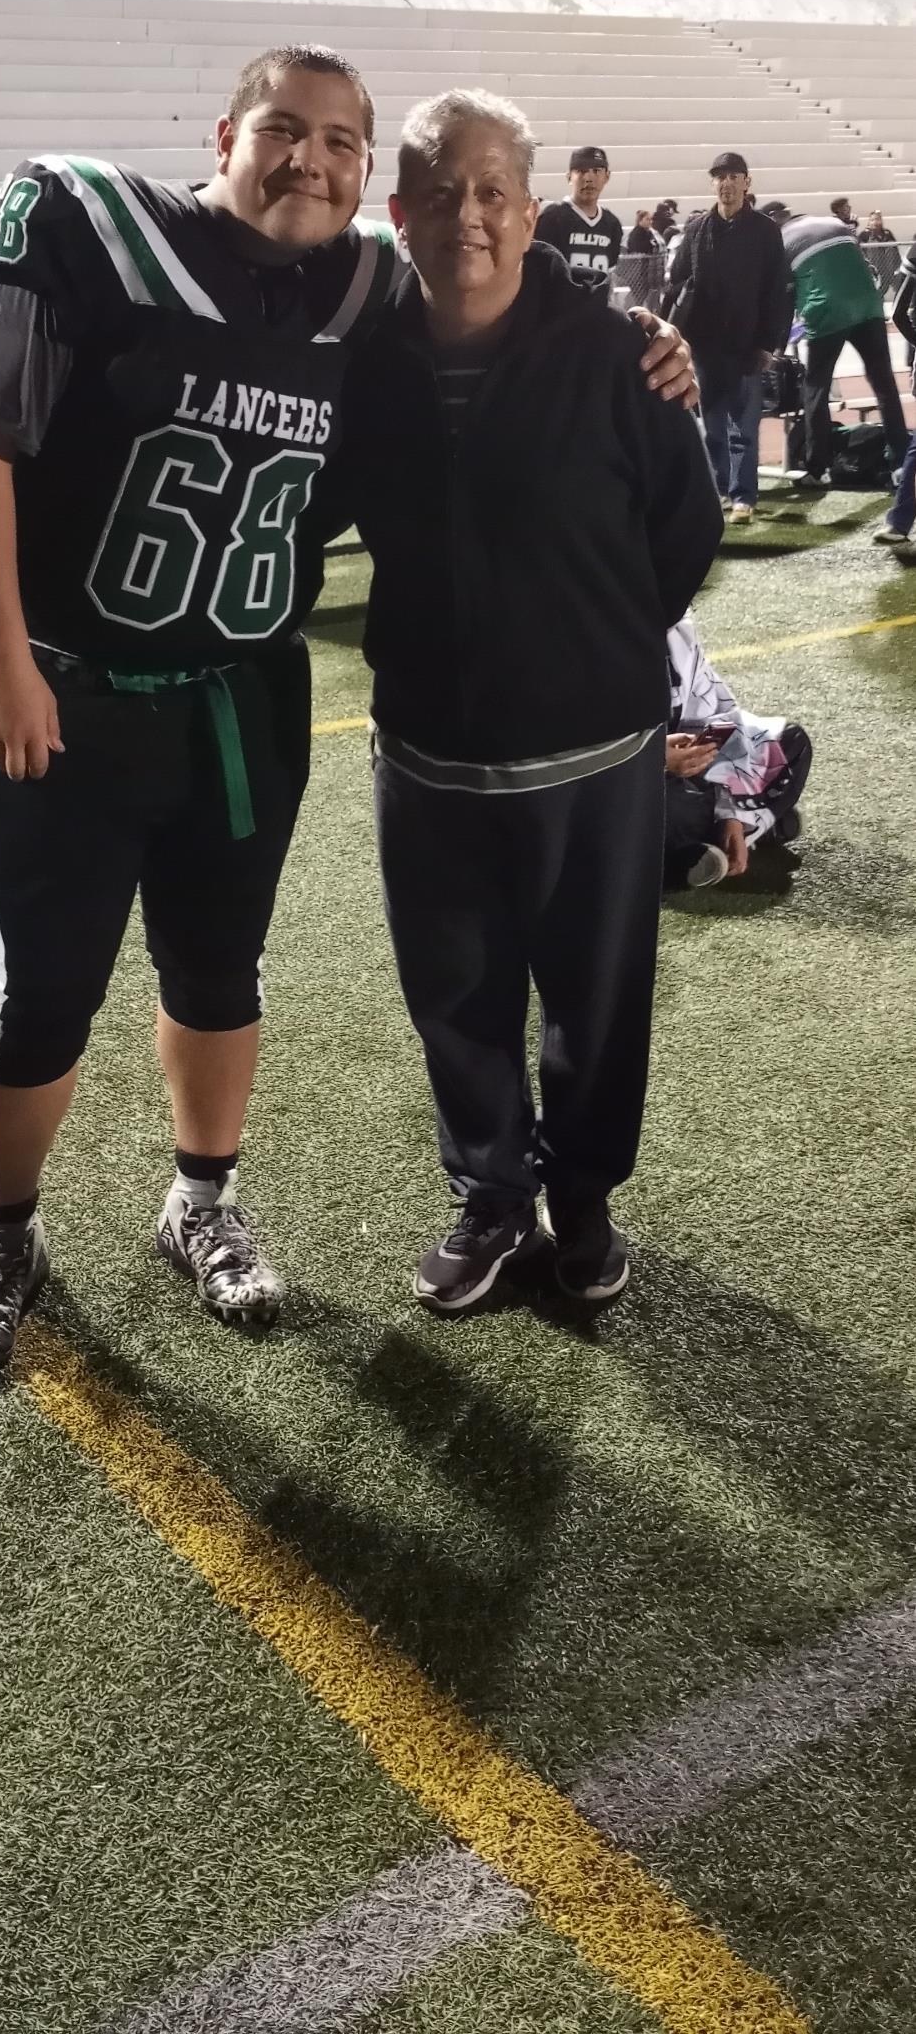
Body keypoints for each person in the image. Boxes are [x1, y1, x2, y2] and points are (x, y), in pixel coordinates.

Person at [0, 44, 697, 1385]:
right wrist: (2, 657)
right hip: (102, 690)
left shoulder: (432, 308)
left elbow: (642, 477)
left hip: (269, 693)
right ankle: (4, 1235)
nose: (313, 160)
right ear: (227, 131)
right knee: (52, 985)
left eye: (341, 140)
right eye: (287, 130)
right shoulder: (161, 255)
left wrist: (646, 343)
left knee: (226, 972)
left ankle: (215, 1200)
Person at [337, 90, 721, 1317]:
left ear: (534, 206)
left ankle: (587, 1199)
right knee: (456, 994)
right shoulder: (365, 364)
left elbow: (685, 530)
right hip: (432, 756)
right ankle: (493, 1195)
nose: (471, 217)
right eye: (442, 193)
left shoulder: (621, 353)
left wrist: (589, 647)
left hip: (597, 750)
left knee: (600, 1000)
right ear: (399, 213)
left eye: (494, 190)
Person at [662, 152, 793, 526]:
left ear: (747, 183)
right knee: (713, 427)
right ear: (712, 183)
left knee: (744, 428)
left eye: (734, 176)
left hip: (747, 346)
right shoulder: (697, 229)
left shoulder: (766, 231)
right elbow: (677, 281)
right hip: (704, 344)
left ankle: (743, 497)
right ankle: (717, 491)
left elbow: (778, 292)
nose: (727, 183)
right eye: (720, 176)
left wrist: (768, 343)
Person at [664, 616, 812, 890]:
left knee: (789, 742)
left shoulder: (679, 629)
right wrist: (656, 758)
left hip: (684, 780)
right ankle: (676, 863)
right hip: (628, 782)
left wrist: (732, 813)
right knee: (660, 807)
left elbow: (720, 720)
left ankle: (726, 835)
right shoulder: (590, 631)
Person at [778, 209, 909, 489]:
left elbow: (783, 298)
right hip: (869, 305)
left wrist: (776, 346)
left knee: (816, 389)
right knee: (884, 384)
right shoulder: (834, 223)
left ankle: (818, 467)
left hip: (827, 311)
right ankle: (901, 463)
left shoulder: (780, 239)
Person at [533, 147, 624, 289]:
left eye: (597, 171)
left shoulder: (612, 224)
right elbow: (536, 272)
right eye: (581, 171)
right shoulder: (552, 218)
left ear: (607, 176)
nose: (588, 178)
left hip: (595, 307)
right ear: (569, 177)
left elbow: (609, 276)